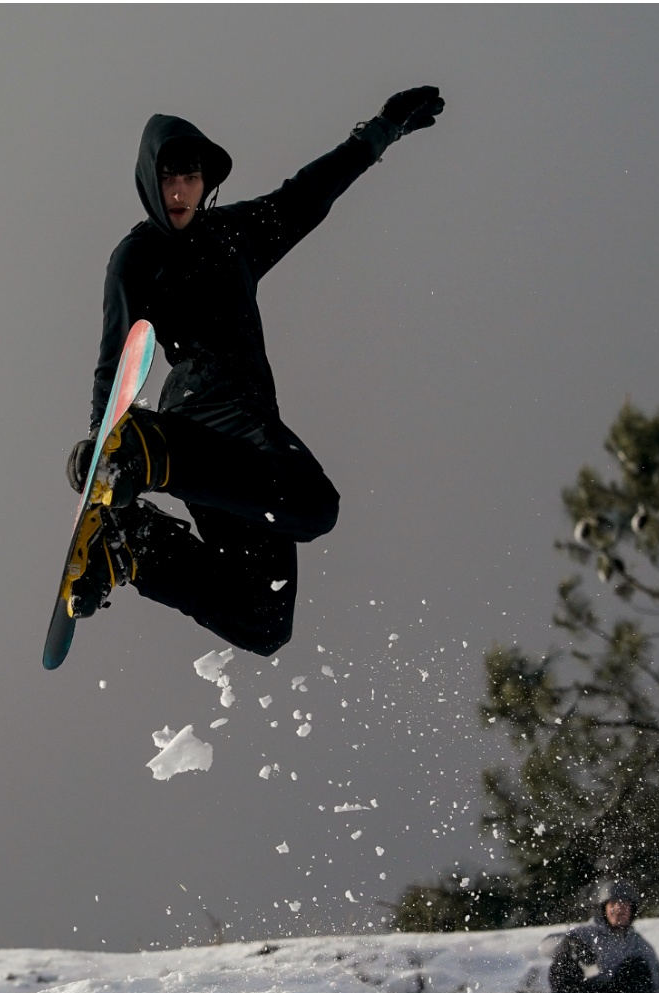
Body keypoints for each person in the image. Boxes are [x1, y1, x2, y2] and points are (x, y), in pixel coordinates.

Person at [63, 87, 445, 655]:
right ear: (149, 181)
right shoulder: (138, 256)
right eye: (168, 178)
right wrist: (104, 446)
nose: (179, 191)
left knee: (263, 621)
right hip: (199, 414)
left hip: (234, 445)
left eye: (190, 179)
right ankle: (146, 453)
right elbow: (114, 359)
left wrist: (382, 130)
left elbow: (309, 195)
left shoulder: (234, 234)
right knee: (314, 506)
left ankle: (133, 547)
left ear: (204, 182)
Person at [544, 880, 659, 993]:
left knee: (638, 966)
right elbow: (544, 947)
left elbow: (656, 979)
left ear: (632, 911)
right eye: (613, 904)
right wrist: (569, 944)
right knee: (562, 964)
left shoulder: (639, 944)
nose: (619, 909)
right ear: (603, 909)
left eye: (625, 905)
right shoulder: (586, 934)